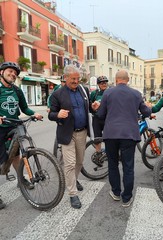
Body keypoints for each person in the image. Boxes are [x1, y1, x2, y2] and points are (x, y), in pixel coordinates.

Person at [97, 70, 151, 207]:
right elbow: (145, 112)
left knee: (113, 164)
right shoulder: (136, 94)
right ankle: (126, 198)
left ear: (116, 80)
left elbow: (101, 114)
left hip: (111, 134)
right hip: (129, 135)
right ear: (128, 80)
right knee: (128, 166)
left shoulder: (107, 93)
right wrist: (149, 108)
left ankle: (115, 192)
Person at [48, 64, 93, 209]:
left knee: (79, 162)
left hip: (82, 132)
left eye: (78, 78)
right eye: (73, 78)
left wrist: (95, 106)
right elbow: (50, 114)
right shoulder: (57, 94)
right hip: (67, 133)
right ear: (66, 77)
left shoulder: (84, 90)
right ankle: (73, 194)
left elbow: (90, 107)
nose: (76, 81)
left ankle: (74, 179)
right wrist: (57, 115)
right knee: (70, 164)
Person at [0, 61, 43, 209]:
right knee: (1, 159)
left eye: (15, 73)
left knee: (16, 154)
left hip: (14, 125)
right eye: (10, 71)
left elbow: (24, 108)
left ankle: (20, 179)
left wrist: (34, 113)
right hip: (0, 128)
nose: (13, 74)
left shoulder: (17, 90)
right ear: (2, 72)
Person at [89, 76, 108, 165]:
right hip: (96, 118)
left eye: (105, 82)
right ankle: (98, 155)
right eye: (101, 83)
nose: (104, 84)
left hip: (107, 119)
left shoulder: (110, 93)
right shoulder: (94, 94)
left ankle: (109, 153)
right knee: (97, 138)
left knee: (109, 138)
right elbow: (89, 106)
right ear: (98, 85)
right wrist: (93, 107)